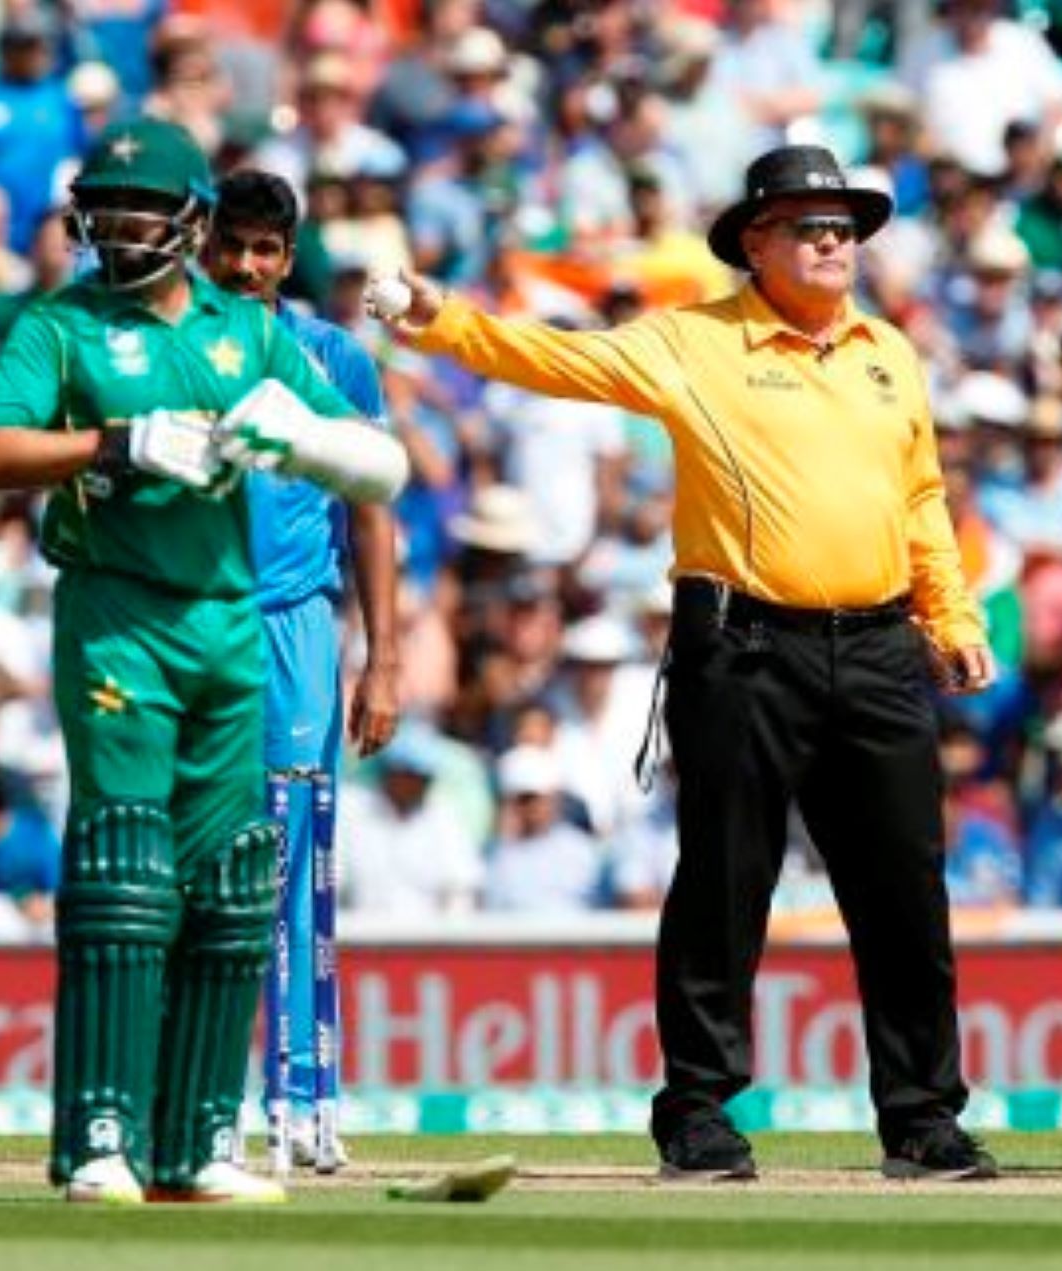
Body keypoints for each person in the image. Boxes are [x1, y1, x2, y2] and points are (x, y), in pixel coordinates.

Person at [369, 144, 998, 1183]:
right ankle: (699, 1110)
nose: (833, 238)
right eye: (806, 222)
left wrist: (952, 612)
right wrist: (439, 319)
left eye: (842, 222)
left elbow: (920, 497)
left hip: (882, 643)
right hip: (746, 641)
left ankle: (923, 1117)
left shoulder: (889, 349)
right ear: (755, 242)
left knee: (904, 889)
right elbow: (553, 357)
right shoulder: (692, 341)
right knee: (722, 880)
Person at [0, 119, 407, 1205]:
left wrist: (291, 436)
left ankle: (200, 1140)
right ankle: (99, 1135)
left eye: (139, 215)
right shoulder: (62, 323)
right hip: (118, 609)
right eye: (103, 215)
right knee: (126, 864)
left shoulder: (241, 332)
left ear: (188, 220)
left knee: (233, 880)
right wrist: (115, 442)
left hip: (229, 620)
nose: (117, 233)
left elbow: (379, 465)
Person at [200, 166, 402, 1174]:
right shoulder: (174, 349)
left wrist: (383, 658)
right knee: (193, 866)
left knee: (288, 861)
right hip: (187, 624)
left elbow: (370, 508)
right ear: (205, 244)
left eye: (263, 249)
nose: (244, 264)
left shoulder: (332, 357)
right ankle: (196, 1097)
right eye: (230, 244)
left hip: (292, 628)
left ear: (287, 257)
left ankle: (302, 1094)